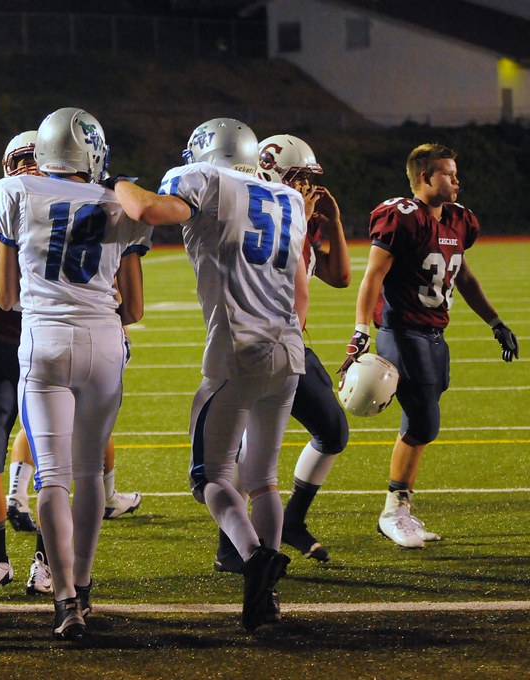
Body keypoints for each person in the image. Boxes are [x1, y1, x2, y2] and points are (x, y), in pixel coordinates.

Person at [111, 118, 307, 632]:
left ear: (204, 153)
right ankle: (269, 595)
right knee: (263, 478)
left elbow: (148, 210)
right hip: (289, 349)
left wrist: (117, 182)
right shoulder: (288, 196)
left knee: (214, 479)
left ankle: (255, 559)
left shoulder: (203, 179)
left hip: (237, 351)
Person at [0, 130, 143, 597]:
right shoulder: (108, 200)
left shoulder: (14, 200)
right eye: (17, 162)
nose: (25, 171)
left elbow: (3, 294)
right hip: (17, 344)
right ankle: (15, 563)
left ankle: (50, 569)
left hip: (36, 342)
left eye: (31, 160)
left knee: (54, 466)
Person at [342, 143, 519, 549]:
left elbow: (465, 278)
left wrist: (495, 321)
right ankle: (393, 511)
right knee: (424, 423)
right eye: (448, 173)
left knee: (420, 424)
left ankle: (400, 507)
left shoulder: (458, 221)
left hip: (435, 334)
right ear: (425, 178)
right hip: (402, 332)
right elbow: (372, 276)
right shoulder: (402, 218)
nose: (457, 180)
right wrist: (360, 329)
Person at [214, 134, 351, 571]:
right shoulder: (258, 219)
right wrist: (302, 220)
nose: (309, 188)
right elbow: (294, 293)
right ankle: (236, 548)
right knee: (245, 457)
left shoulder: (298, 218)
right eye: (301, 179)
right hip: (256, 344)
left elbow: (340, 276)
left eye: (310, 181)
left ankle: (286, 523)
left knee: (330, 431)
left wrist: (333, 222)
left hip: (291, 346)